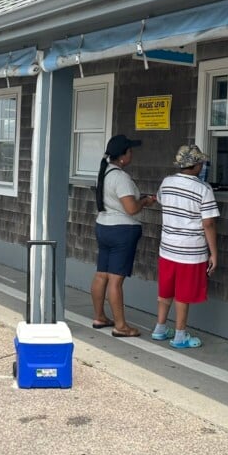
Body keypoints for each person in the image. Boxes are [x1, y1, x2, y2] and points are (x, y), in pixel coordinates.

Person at [152, 145, 219, 349]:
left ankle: (160, 328)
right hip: (190, 251)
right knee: (183, 294)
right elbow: (208, 223)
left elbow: (161, 201)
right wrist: (213, 253)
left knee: (165, 291)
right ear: (196, 165)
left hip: (167, 248)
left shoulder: (167, 183)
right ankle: (180, 335)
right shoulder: (203, 189)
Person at [91, 134, 155, 338]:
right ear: (122, 156)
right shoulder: (121, 178)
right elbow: (131, 209)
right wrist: (145, 201)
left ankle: (99, 316)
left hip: (103, 226)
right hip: (122, 231)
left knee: (102, 274)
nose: (132, 154)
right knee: (116, 281)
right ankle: (121, 326)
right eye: (130, 151)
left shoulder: (105, 172)